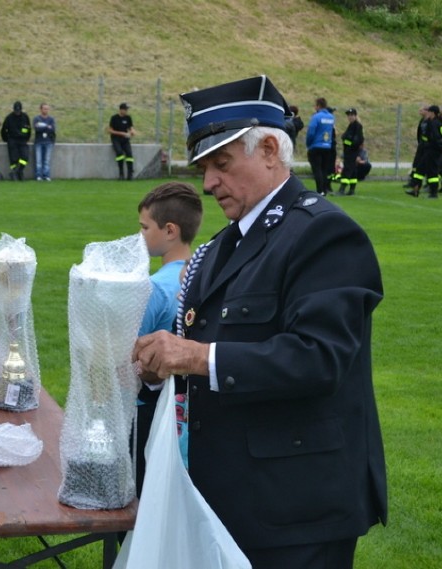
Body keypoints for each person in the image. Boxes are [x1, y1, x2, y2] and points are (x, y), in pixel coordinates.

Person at [133, 75, 387, 569]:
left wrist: (194, 356)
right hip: (228, 494)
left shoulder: (324, 233)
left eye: (221, 165)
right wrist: (160, 365)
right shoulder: (221, 246)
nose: (208, 184)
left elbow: (319, 359)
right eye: (204, 168)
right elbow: (207, 354)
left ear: (271, 150)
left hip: (296, 508)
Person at [133, 182, 203, 491]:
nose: (140, 235)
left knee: (141, 500)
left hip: (148, 414)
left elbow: (129, 359)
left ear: (170, 230)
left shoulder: (155, 289)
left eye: (145, 227)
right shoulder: (201, 280)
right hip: (188, 414)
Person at [406, 105, 442, 198]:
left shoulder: (435, 123)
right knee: (420, 169)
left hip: (433, 150)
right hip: (427, 149)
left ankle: (433, 193)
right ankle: (415, 190)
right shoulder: (435, 122)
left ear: (433, 113)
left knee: (432, 172)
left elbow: (437, 137)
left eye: (430, 112)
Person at [305, 97, 336, 195]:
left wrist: (308, 143)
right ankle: (324, 189)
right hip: (327, 146)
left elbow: (311, 132)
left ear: (318, 106)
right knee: (324, 169)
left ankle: (320, 190)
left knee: (317, 169)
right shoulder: (331, 117)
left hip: (316, 145)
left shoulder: (316, 117)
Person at [1, 101, 31, 181]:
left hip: (23, 140)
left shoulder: (25, 117)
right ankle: (14, 172)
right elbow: (4, 130)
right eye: (16, 110)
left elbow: (28, 129)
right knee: (14, 158)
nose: (17, 112)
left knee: (25, 157)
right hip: (12, 140)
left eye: (18, 110)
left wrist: (27, 138)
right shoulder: (9, 118)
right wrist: (6, 139)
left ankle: (19, 171)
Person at [338, 108, 365, 195]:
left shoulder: (357, 126)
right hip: (349, 151)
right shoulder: (351, 125)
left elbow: (357, 140)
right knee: (353, 171)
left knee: (347, 170)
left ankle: (342, 189)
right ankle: (352, 190)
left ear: (355, 116)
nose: (350, 117)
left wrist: (349, 144)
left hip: (352, 152)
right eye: (348, 115)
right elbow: (346, 137)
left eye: (351, 115)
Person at [108, 102, 136, 180]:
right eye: (125, 109)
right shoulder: (114, 118)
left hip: (125, 140)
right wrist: (121, 133)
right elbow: (110, 130)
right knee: (119, 153)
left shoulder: (128, 118)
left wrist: (132, 132)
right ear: (121, 110)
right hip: (116, 139)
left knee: (129, 154)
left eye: (127, 109)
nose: (126, 111)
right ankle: (121, 174)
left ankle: (130, 174)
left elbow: (131, 128)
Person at [32, 102, 57, 181]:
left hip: (48, 142)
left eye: (47, 109)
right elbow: (37, 129)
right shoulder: (36, 119)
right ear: (41, 109)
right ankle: (38, 176)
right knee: (38, 160)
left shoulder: (51, 119)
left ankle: (46, 175)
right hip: (39, 141)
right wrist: (46, 126)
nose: (46, 110)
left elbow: (52, 129)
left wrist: (42, 126)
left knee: (46, 160)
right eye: (44, 109)